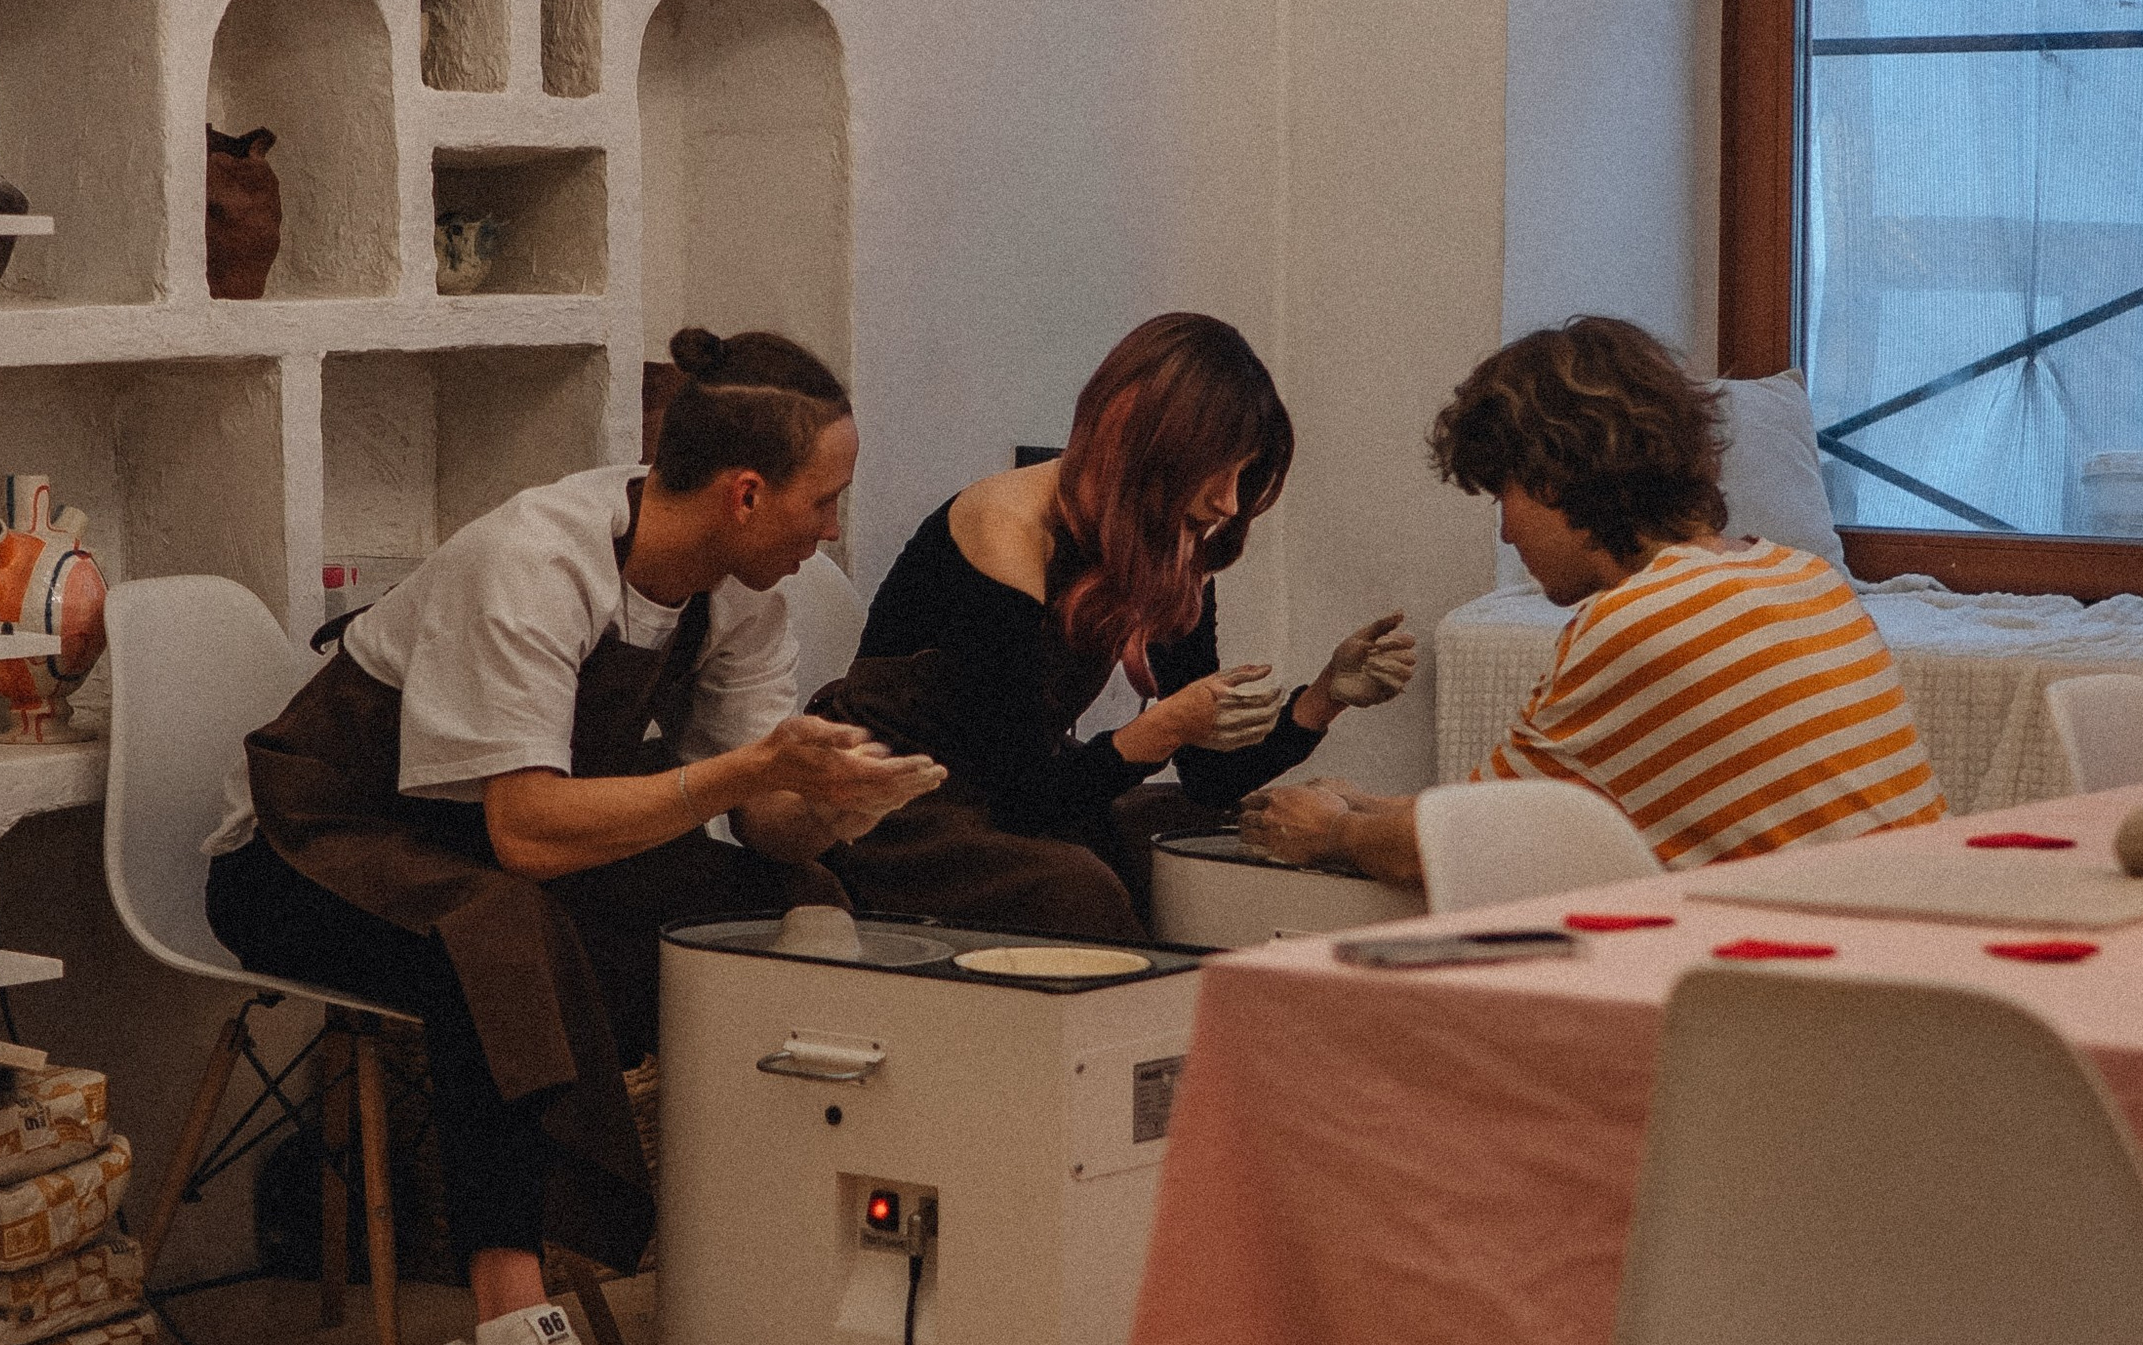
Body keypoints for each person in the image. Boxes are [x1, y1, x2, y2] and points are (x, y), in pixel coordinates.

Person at [204, 329, 941, 1345]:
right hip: (307, 850)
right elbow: (528, 832)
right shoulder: (534, 562)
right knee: (495, 935)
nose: (832, 530)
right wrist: (747, 771)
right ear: (747, 494)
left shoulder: (740, 594)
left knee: (788, 896)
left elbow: (761, 819)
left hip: (480, 843)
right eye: (823, 501)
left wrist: (837, 806)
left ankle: (781, 1263)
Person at [1237, 313, 1944, 885]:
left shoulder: (1643, 621)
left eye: (1504, 496)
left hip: (1814, 983)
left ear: (1551, 478)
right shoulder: (1801, 576)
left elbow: (1472, 845)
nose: (1507, 531)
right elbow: (1533, 810)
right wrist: (1367, 803)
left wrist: (1334, 831)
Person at [811, 312, 1417, 940]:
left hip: (1015, 786)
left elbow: (1209, 778)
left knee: (1228, 831)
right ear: (1151, 448)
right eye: (1218, 471)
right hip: (896, 797)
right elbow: (1023, 798)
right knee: (1077, 889)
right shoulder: (1007, 530)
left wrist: (1324, 698)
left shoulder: (1167, 541)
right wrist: (1163, 727)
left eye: (1242, 475)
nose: (1230, 503)